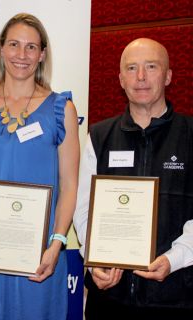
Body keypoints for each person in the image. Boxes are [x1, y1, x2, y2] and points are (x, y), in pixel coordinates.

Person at [0, 13, 79, 320]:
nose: (21, 55)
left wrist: (58, 242)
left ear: (42, 54)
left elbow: (70, 185)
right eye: (13, 44)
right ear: (0, 49)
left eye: (30, 47)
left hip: (39, 256)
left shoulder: (62, 109)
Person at [73, 37, 193, 319]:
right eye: (131, 68)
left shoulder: (190, 135)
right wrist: (94, 263)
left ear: (168, 76)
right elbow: (84, 210)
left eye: (151, 66)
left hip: (177, 296)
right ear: (120, 79)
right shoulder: (99, 136)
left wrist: (173, 260)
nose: (140, 77)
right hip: (110, 299)